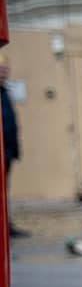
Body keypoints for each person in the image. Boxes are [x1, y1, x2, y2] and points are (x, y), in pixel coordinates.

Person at [1, 61, 25, 239]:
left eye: (6, 68)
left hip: (7, 152)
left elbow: (10, 124)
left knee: (4, 191)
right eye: (1, 68)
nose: (4, 71)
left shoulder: (5, 92)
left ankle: (6, 225)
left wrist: (15, 149)